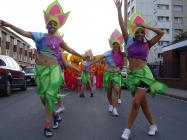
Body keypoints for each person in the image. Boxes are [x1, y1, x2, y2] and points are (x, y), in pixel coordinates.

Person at [0, 1, 83, 137]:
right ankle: (55, 115)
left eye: (55, 24)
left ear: (57, 27)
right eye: (50, 23)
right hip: (40, 70)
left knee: (49, 96)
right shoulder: (39, 36)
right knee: (43, 98)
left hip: (54, 69)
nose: (52, 25)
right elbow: (23, 32)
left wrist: (82, 56)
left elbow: (70, 49)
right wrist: (9, 25)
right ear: (47, 25)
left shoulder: (58, 40)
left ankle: (47, 126)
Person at [114, 0, 168, 139]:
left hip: (144, 74)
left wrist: (145, 26)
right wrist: (119, 10)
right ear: (134, 33)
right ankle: (153, 125)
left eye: (142, 32)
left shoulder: (147, 44)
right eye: (137, 32)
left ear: (144, 34)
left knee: (136, 102)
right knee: (143, 103)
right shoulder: (129, 41)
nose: (139, 34)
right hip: (133, 76)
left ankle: (127, 129)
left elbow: (162, 33)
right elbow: (122, 25)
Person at [90, 29, 126, 116]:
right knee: (109, 91)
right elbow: (100, 58)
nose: (115, 45)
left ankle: (114, 108)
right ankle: (110, 104)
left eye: (117, 44)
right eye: (114, 44)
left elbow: (124, 64)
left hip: (117, 74)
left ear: (119, 45)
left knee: (117, 90)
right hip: (108, 74)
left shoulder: (122, 54)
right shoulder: (108, 53)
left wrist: (123, 67)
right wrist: (91, 63)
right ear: (112, 45)